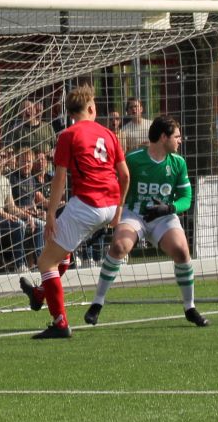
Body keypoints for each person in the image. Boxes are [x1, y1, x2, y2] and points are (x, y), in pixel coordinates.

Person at [18, 86, 128, 339]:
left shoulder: (68, 135)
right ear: (91, 108)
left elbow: (59, 178)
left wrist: (50, 215)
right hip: (110, 205)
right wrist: (119, 210)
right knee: (62, 253)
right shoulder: (110, 134)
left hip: (87, 204)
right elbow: (124, 175)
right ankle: (39, 295)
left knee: (46, 261)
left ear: (70, 113)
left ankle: (59, 323)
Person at [86, 116, 208, 328]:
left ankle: (190, 307)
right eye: (177, 136)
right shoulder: (133, 159)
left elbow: (186, 199)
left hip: (163, 217)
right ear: (163, 137)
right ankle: (97, 303)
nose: (180, 141)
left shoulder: (178, 163)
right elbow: (116, 186)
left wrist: (169, 208)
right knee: (119, 246)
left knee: (181, 250)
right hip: (135, 215)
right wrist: (113, 213)